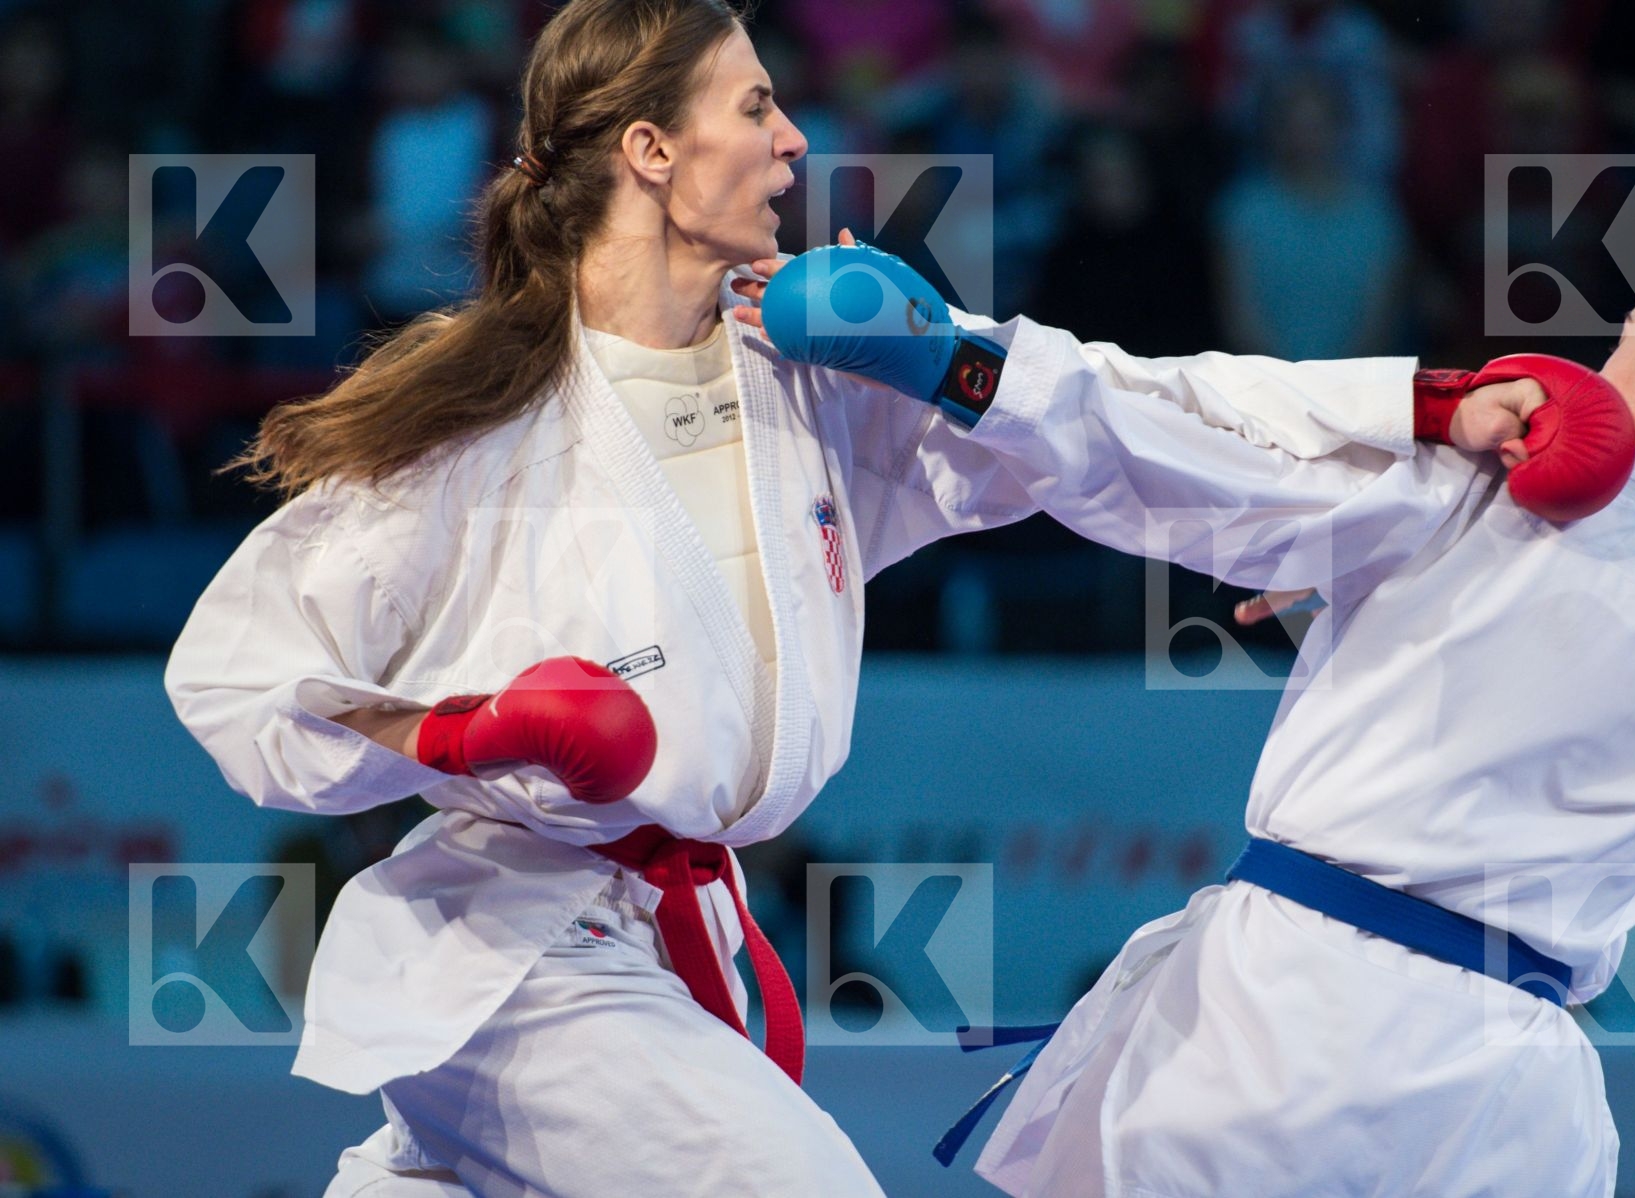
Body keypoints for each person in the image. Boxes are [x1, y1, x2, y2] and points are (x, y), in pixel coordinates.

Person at [163, 3, 1477, 1193]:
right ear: (649, 151)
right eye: (753, 107)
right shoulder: (482, 414)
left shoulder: (814, 379)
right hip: (514, 947)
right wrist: (458, 735)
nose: (795, 138)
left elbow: (1106, 407)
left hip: (669, 949)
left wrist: (1419, 420)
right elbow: (238, 677)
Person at [743, 239, 1635, 1196]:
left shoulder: (1502, 475)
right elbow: (1537, 722)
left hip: (1295, 1025)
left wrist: (958, 356)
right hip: (1523, 1092)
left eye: (1624, 339)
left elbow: (1185, 438)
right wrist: (1376, 596)